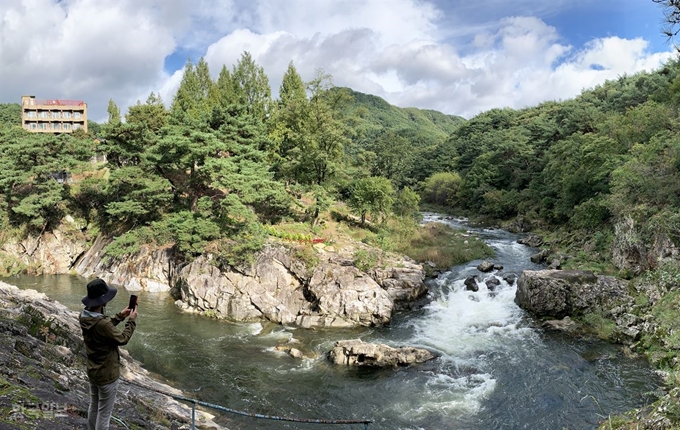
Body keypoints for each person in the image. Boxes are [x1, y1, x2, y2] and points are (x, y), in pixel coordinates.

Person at [79, 278, 138, 430]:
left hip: (93, 370)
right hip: (107, 375)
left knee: (94, 405)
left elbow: (103, 327)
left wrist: (120, 316)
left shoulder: (84, 316)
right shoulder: (102, 324)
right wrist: (131, 321)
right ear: (103, 301)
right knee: (104, 414)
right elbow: (122, 339)